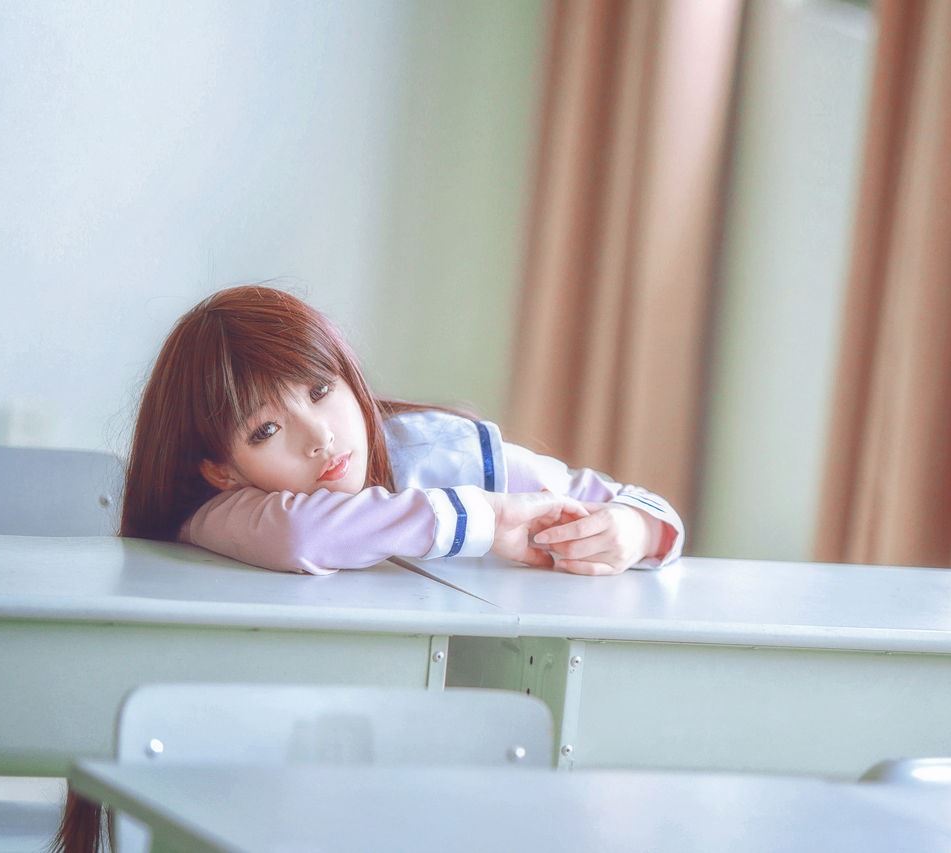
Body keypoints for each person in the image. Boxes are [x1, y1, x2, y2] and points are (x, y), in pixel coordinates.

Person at [56, 284, 684, 851]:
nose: (318, 437)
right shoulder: (219, 511)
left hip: (439, 769)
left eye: (321, 391)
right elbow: (302, 532)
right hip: (278, 784)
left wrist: (635, 531)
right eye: (266, 430)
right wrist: (485, 519)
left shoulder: (444, 454)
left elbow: (637, 505)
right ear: (222, 469)